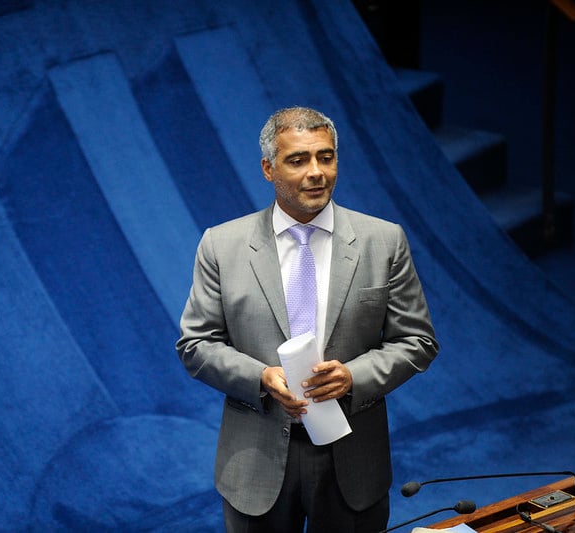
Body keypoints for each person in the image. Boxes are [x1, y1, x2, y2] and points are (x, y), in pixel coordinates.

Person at [176, 106, 439, 532]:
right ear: (268, 168)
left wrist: (354, 375)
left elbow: (418, 341)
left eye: (326, 157)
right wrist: (261, 376)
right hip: (255, 462)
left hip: (353, 461)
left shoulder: (384, 240)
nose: (316, 172)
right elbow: (195, 345)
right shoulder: (220, 246)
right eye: (298, 160)